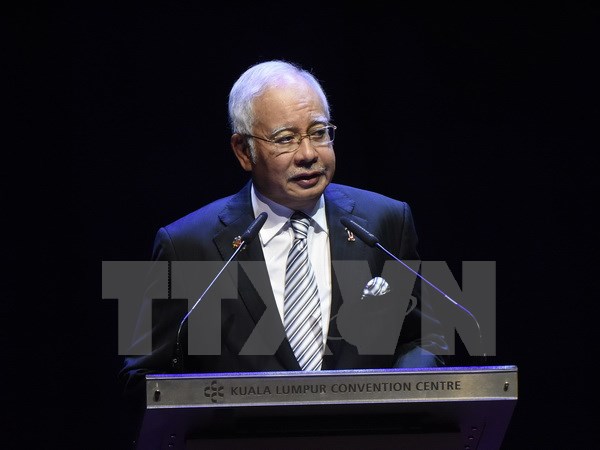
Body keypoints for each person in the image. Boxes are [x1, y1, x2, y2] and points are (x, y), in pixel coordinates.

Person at [118, 59, 448, 444]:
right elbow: (145, 379)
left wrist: (403, 396)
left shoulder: (385, 220)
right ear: (244, 151)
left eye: (319, 133)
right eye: (285, 138)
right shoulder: (186, 245)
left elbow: (422, 337)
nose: (308, 153)